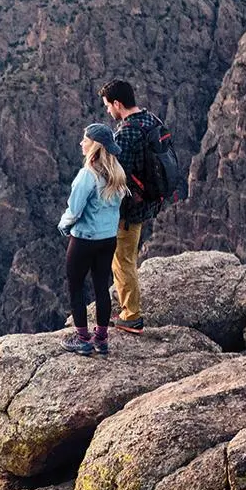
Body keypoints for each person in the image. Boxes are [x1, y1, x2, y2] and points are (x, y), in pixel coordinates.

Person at [99, 80, 165, 334]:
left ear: (117, 104)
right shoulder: (150, 120)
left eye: (108, 106)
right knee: (127, 255)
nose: (108, 112)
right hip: (148, 201)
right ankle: (129, 309)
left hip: (130, 208)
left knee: (122, 259)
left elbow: (118, 174)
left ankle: (131, 316)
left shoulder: (127, 132)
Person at [58, 123, 127, 357]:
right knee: (101, 287)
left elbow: (74, 210)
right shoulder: (117, 173)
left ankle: (82, 339)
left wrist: (64, 226)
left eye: (85, 140)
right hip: (108, 239)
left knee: (76, 287)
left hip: (84, 239)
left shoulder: (87, 175)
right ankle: (102, 339)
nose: (81, 143)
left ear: (94, 146)